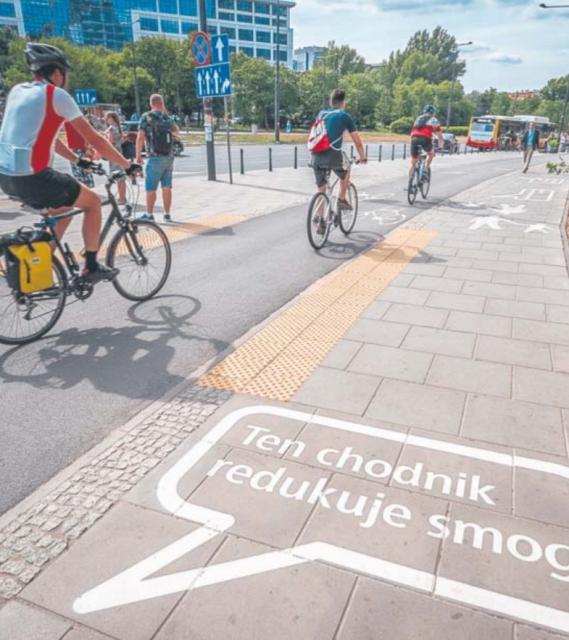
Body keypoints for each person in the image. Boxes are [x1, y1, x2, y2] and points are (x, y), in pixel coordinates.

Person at [0, 43, 141, 282]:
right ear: (57, 73)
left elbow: (48, 140)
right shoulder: (56, 95)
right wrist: (127, 165)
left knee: (63, 211)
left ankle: (37, 266)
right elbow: (95, 139)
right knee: (93, 203)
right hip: (33, 176)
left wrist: (78, 160)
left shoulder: (18, 91)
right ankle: (91, 267)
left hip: (6, 177)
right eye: (66, 73)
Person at [309, 88, 366, 211]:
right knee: (347, 169)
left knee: (321, 189)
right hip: (332, 154)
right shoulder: (344, 116)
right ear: (343, 102)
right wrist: (362, 156)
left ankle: (319, 218)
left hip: (315, 155)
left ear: (331, 101)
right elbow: (357, 141)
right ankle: (341, 199)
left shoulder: (321, 114)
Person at [136, 94, 180, 223]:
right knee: (166, 186)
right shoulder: (167, 118)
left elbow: (140, 137)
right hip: (169, 156)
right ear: (161, 103)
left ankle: (149, 214)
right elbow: (177, 131)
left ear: (151, 103)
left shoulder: (146, 117)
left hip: (154, 156)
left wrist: (138, 155)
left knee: (150, 188)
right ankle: (167, 215)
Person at [409, 104, 443, 179]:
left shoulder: (418, 118)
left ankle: (410, 182)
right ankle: (426, 168)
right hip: (425, 139)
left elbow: (413, 131)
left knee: (413, 163)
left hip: (414, 139)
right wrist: (440, 147)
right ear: (433, 113)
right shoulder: (434, 120)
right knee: (431, 154)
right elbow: (440, 136)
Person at [104, 111, 127, 205]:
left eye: (107, 118)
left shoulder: (111, 128)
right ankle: (122, 197)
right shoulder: (118, 127)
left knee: (118, 178)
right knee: (121, 177)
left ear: (111, 118)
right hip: (119, 153)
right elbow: (122, 140)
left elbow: (110, 142)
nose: (106, 119)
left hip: (113, 155)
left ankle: (122, 199)